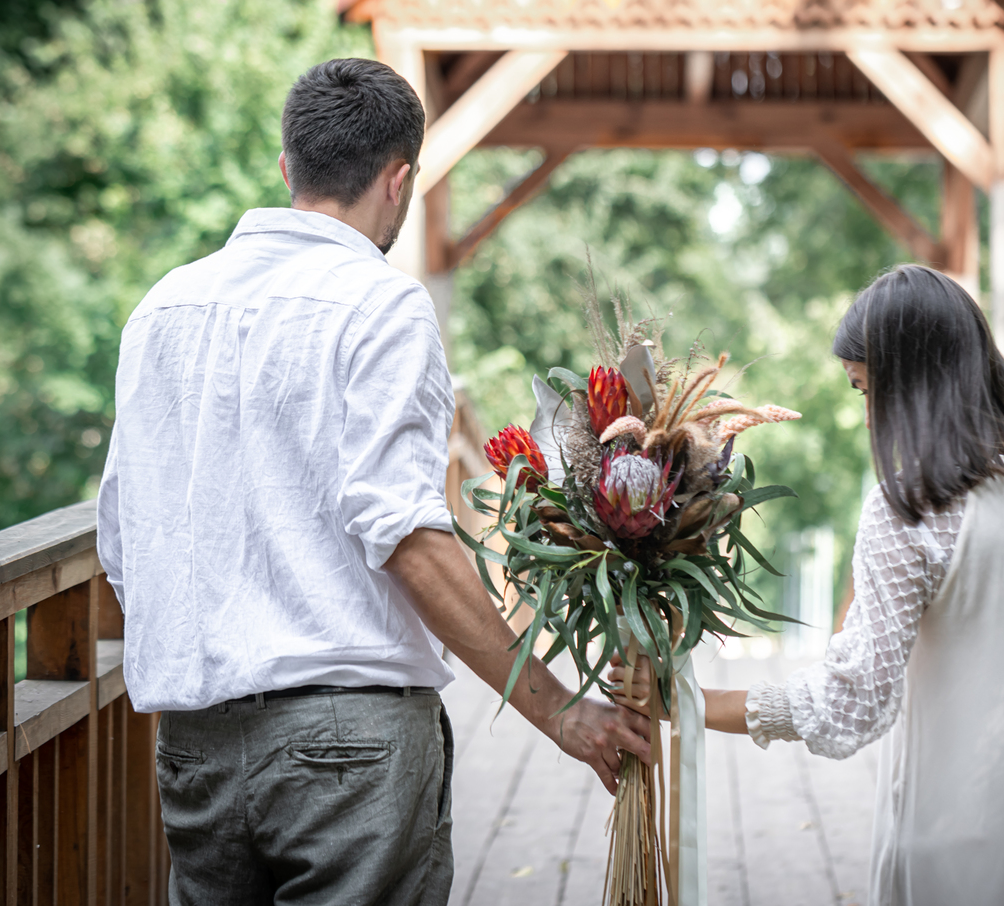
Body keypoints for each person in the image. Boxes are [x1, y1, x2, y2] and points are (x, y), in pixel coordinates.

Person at [96, 58, 651, 906]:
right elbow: (405, 537)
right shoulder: (379, 304)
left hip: (196, 742)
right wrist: (557, 708)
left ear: (288, 168)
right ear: (399, 181)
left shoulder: (160, 309)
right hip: (348, 747)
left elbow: (121, 537)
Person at [615, 265, 1004, 905]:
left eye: (866, 392)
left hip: (961, 844)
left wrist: (686, 703)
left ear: (914, 386)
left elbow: (851, 705)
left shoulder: (912, 508)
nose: (866, 419)